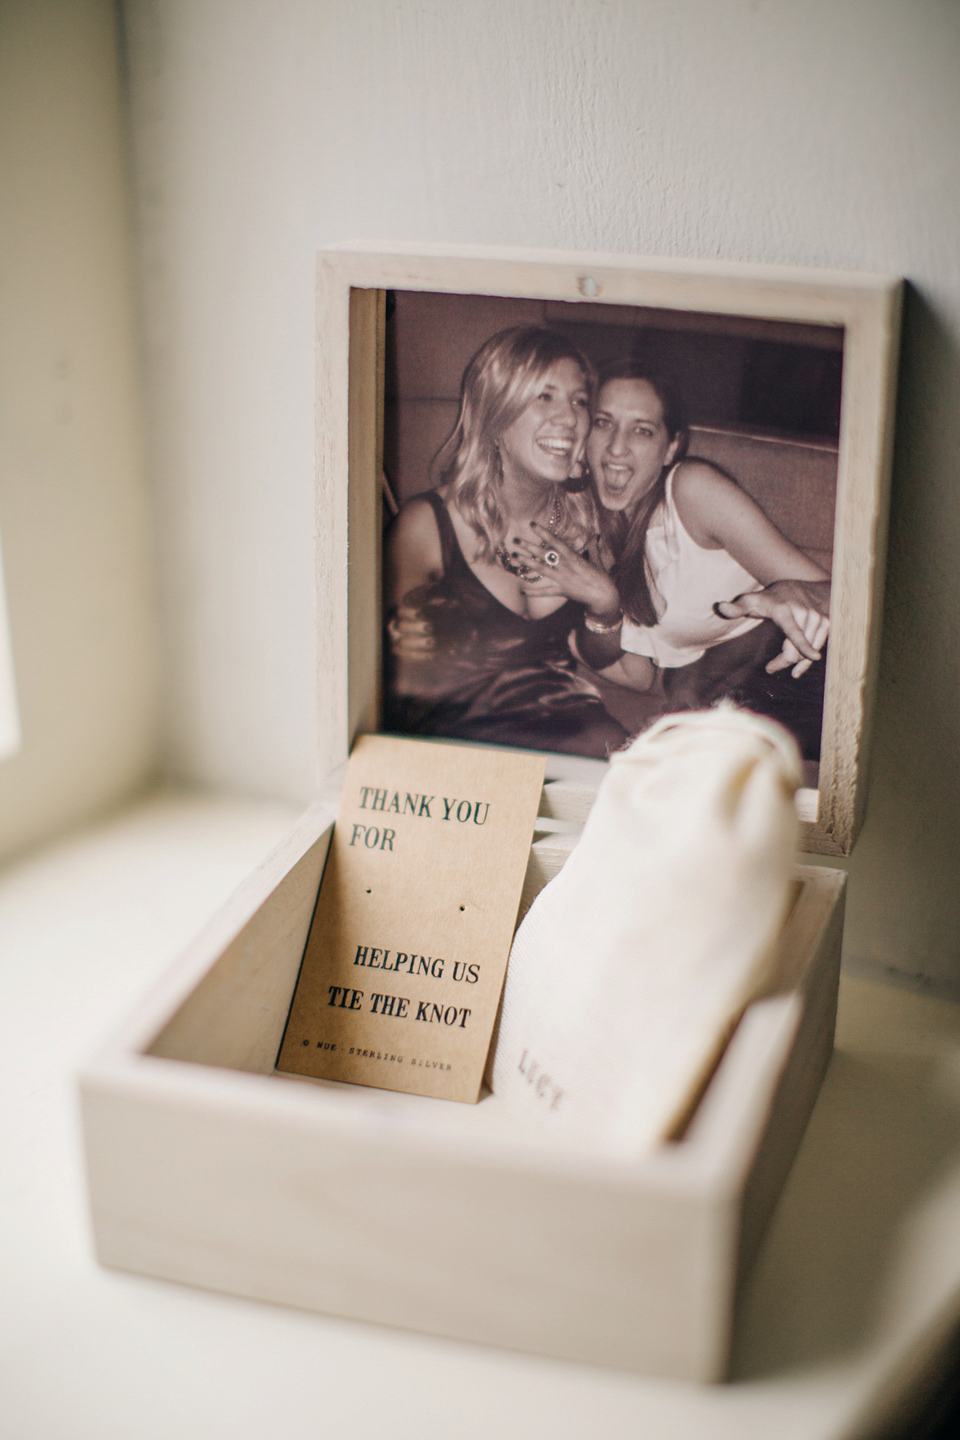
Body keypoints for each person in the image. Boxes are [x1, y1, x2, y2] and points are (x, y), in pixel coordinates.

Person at [508, 362, 831, 760]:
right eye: (604, 423)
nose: (616, 447)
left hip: (804, 669)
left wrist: (792, 591)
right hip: (728, 706)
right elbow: (639, 675)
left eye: (642, 430)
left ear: (671, 447)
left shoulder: (692, 491)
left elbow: (843, 601)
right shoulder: (591, 530)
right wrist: (597, 605)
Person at [382, 327, 629, 757]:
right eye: (544, 396)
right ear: (495, 413)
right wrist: (398, 642)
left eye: (579, 401)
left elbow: (602, 656)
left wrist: (605, 603)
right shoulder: (425, 525)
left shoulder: (586, 519)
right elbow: (391, 683)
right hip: (466, 749)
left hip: (571, 728)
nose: (569, 419)